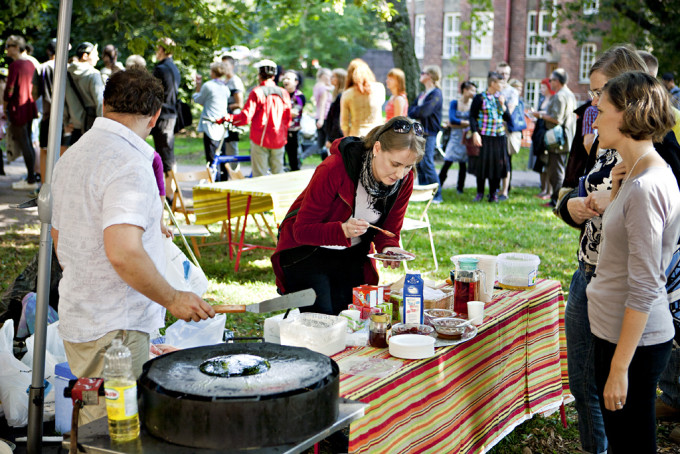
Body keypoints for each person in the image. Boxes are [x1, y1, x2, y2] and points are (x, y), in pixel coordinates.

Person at [51, 69, 216, 425]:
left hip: (88, 317)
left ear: (105, 104)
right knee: (115, 432)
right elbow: (123, 251)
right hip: (112, 327)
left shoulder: (71, 156)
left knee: (98, 422)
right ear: (155, 116)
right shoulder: (129, 164)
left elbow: (61, 240)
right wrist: (171, 299)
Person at [557, 45, 649, 454]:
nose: (591, 104)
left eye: (599, 94)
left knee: (613, 387)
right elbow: (568, 188)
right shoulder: (598, 138)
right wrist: (569, 206)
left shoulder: (652, 153)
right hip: (586, 272)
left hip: (620, 286)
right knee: (582, 382)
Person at [586, 71, 679, 453]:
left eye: (603, 107)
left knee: (632, 445)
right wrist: (617, 191)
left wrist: (620, 369)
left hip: (634, 344)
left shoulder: (646, 186)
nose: (594, 110)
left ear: (627, 115)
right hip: (615, 332)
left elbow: (644, 285)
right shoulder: (634, 175)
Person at [272, 116, 425, 316]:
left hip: (352, 254)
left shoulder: (405, 180)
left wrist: (389, 247)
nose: (399, 174)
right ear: (377, 149)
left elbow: (389, 229)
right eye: (395, 164)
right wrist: (342, 230)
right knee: (324, 321)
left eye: (407, 167)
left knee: (354, 318)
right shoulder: (334, 168)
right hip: (307, 252)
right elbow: (301, 230)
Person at [219, 59, 291, 177]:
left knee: (259, 176)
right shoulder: (283, 93)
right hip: (279, 138)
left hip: (260, 138)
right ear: (274, 75)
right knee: (279, 175)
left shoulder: (257, 92)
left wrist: (229, 118)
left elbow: (245, 117)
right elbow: (287, 118)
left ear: (259, 75)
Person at [3, 35, 39, 191]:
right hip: (29, 107)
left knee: (25, 143)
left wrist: (4, 106)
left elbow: (9, 90)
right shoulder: (31, 64)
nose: (7, 48)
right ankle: (31, 177)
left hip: (18, 108)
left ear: (17, 47)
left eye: (9, 45)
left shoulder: (15, 65)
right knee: (28, 142)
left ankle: (31, 179)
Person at [469, 71, 511, 203]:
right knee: (482, 165)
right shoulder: (480, 98)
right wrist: (475, 132)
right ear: (493, 83)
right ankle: (480, 193)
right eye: (501, 82)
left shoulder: (501, 98)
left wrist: (503, 106)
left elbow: (508, 118)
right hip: (484, 137)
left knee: (497, 166)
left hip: (498, 137)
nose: (503, 85)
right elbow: (472, 116)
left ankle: (493, 194)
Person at [542, 68, 577, 207]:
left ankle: (556, 201)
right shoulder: (570, 94)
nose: (550, 82)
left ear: (557, 81)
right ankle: (557, 199)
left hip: (558, 140)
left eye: (551, 80)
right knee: (558, 169)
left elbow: (557, 119)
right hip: (566, 138)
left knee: (556, 171)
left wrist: (540, 115)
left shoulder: (560, 96)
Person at [408, 65, 443, 202]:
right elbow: (411, 110)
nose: (421, 74)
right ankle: (424, 193)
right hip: (419, 132)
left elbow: (425, 111)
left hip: (429, 133)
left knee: (427, 163)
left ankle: (437, 195)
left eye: (424, 73)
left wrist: (417, 110)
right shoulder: (423, 94)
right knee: (420, 163)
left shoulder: (436, 93)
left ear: (431, 76)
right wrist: (417, 109)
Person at [151, 37, 181, 197]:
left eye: (157, 48)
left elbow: (154, 94)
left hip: (163, 115)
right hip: (171, 114)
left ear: (162, 49)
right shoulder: (174, 68)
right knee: (167, 152)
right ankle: (170, 192)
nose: (156, 51)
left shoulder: (161, 68)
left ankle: (169, 194)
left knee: (165, 155)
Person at [192, 61, 230, 180]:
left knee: (212, 159)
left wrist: (197, 86)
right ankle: (223, 181)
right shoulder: (225, 87)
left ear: (213, 72)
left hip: (210, 125)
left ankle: (215, 182)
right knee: (221, 156)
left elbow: (198, 99)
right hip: (222, 127)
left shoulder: (208, 86)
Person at [439, 81, 476, 194]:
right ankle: (439, 184)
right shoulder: (455, 103)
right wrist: (466, 123)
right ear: (465, 90)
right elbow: (452, 119)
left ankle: (460, 188)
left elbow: (473, 121)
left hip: (467, 138)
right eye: (472, 90)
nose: (474, 93)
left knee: (463, 164)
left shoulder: (473, 104)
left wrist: (456, 123)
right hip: (455, 137)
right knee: (448, 161)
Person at [64, 41, 104, 145]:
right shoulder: (93, 74)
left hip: (74, 125)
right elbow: (100, 102)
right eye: (96, 55)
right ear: (85, 56)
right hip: (91, 125)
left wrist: (66, 122)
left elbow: (63, 101)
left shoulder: (67, 73)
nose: (98, 58)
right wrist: (103, 127)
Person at [340, 58, 385, 137]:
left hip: (357, 136)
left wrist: (347, 138)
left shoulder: (347, 94)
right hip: (377, 135)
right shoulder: (379, 88)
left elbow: (344, 122)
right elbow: (381, 103)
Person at [496, 62, 520, 201]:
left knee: (506, 161)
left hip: (506, 132)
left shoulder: (512, 92)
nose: (503, 76)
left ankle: (505, 190)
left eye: (506, 74)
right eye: (501, 73)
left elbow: (508, 113)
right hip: (493, 132)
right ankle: (497, 189)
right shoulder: (493, 89)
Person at [529, 78, 554, 199]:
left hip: (547, 134)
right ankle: (543, 189)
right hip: (539, 133)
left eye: (544, 87)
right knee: (540, 162)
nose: (541, 90)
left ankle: (549, 191)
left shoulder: (553, 100)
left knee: (547, 163)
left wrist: (539, 115)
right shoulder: (542, 100)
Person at [221, 54, 245, 161]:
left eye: (226, 64)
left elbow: (239, 103)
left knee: (231, 147)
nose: (224, 67)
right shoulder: (223, 81)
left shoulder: (235, 81)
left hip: (232, 118)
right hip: (225, 118)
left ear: (232, 66)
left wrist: (225, 107)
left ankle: (235, 173)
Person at [282, 70, 305, 171]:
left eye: (288, 79)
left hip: (294, 131)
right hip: (281, 131)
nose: (285, 81)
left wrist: (280, 111)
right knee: (280, 157)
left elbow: (295, 112)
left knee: (293, 157)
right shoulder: (281, 94)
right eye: (284, 78)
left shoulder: (299, 96)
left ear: (296, 82)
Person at [310, 68, 333, 160]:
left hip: (319, 116)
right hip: (324, 117)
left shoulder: (317, 86)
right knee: (327, 142)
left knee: (320, 143)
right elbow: (323, 103)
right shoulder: (324, 88)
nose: (330, 78)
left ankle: (303, 156)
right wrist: (322, 119)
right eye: (328, 75)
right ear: (323, 76)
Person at [324, 67, 347, 149]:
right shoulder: (336, 94)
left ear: (340, 79)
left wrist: (331, 139)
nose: (331, 78)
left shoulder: (341, 96)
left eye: (333, 76)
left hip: (337, 137)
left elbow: (337, 119)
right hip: (333, 134)